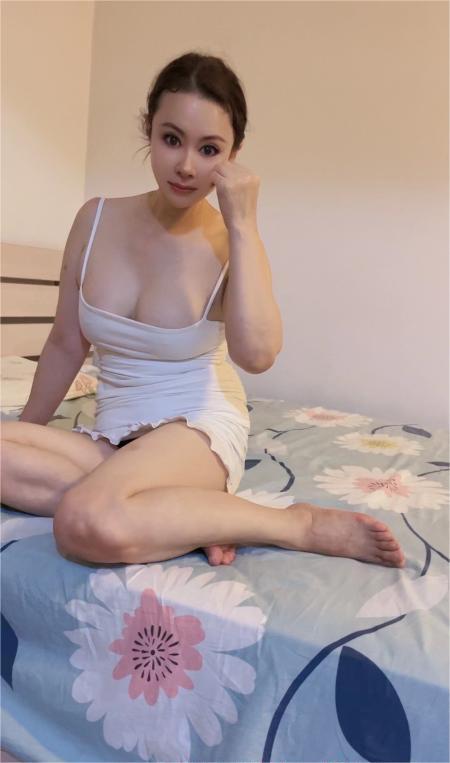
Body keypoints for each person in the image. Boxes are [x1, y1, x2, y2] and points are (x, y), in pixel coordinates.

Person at [1, 51, 405, 569]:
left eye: (209, 149)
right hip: (113, 438)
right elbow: (64, 343)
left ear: (234, 154)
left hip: (195, 429)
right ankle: (187, 515)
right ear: (149, 129)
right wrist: (30, 437)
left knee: (84, 521)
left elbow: (257, 355)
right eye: (171, 139)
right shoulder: (95, 218)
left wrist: (243, 224)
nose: (187, 166)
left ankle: (291, 524)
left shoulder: (230, 240)